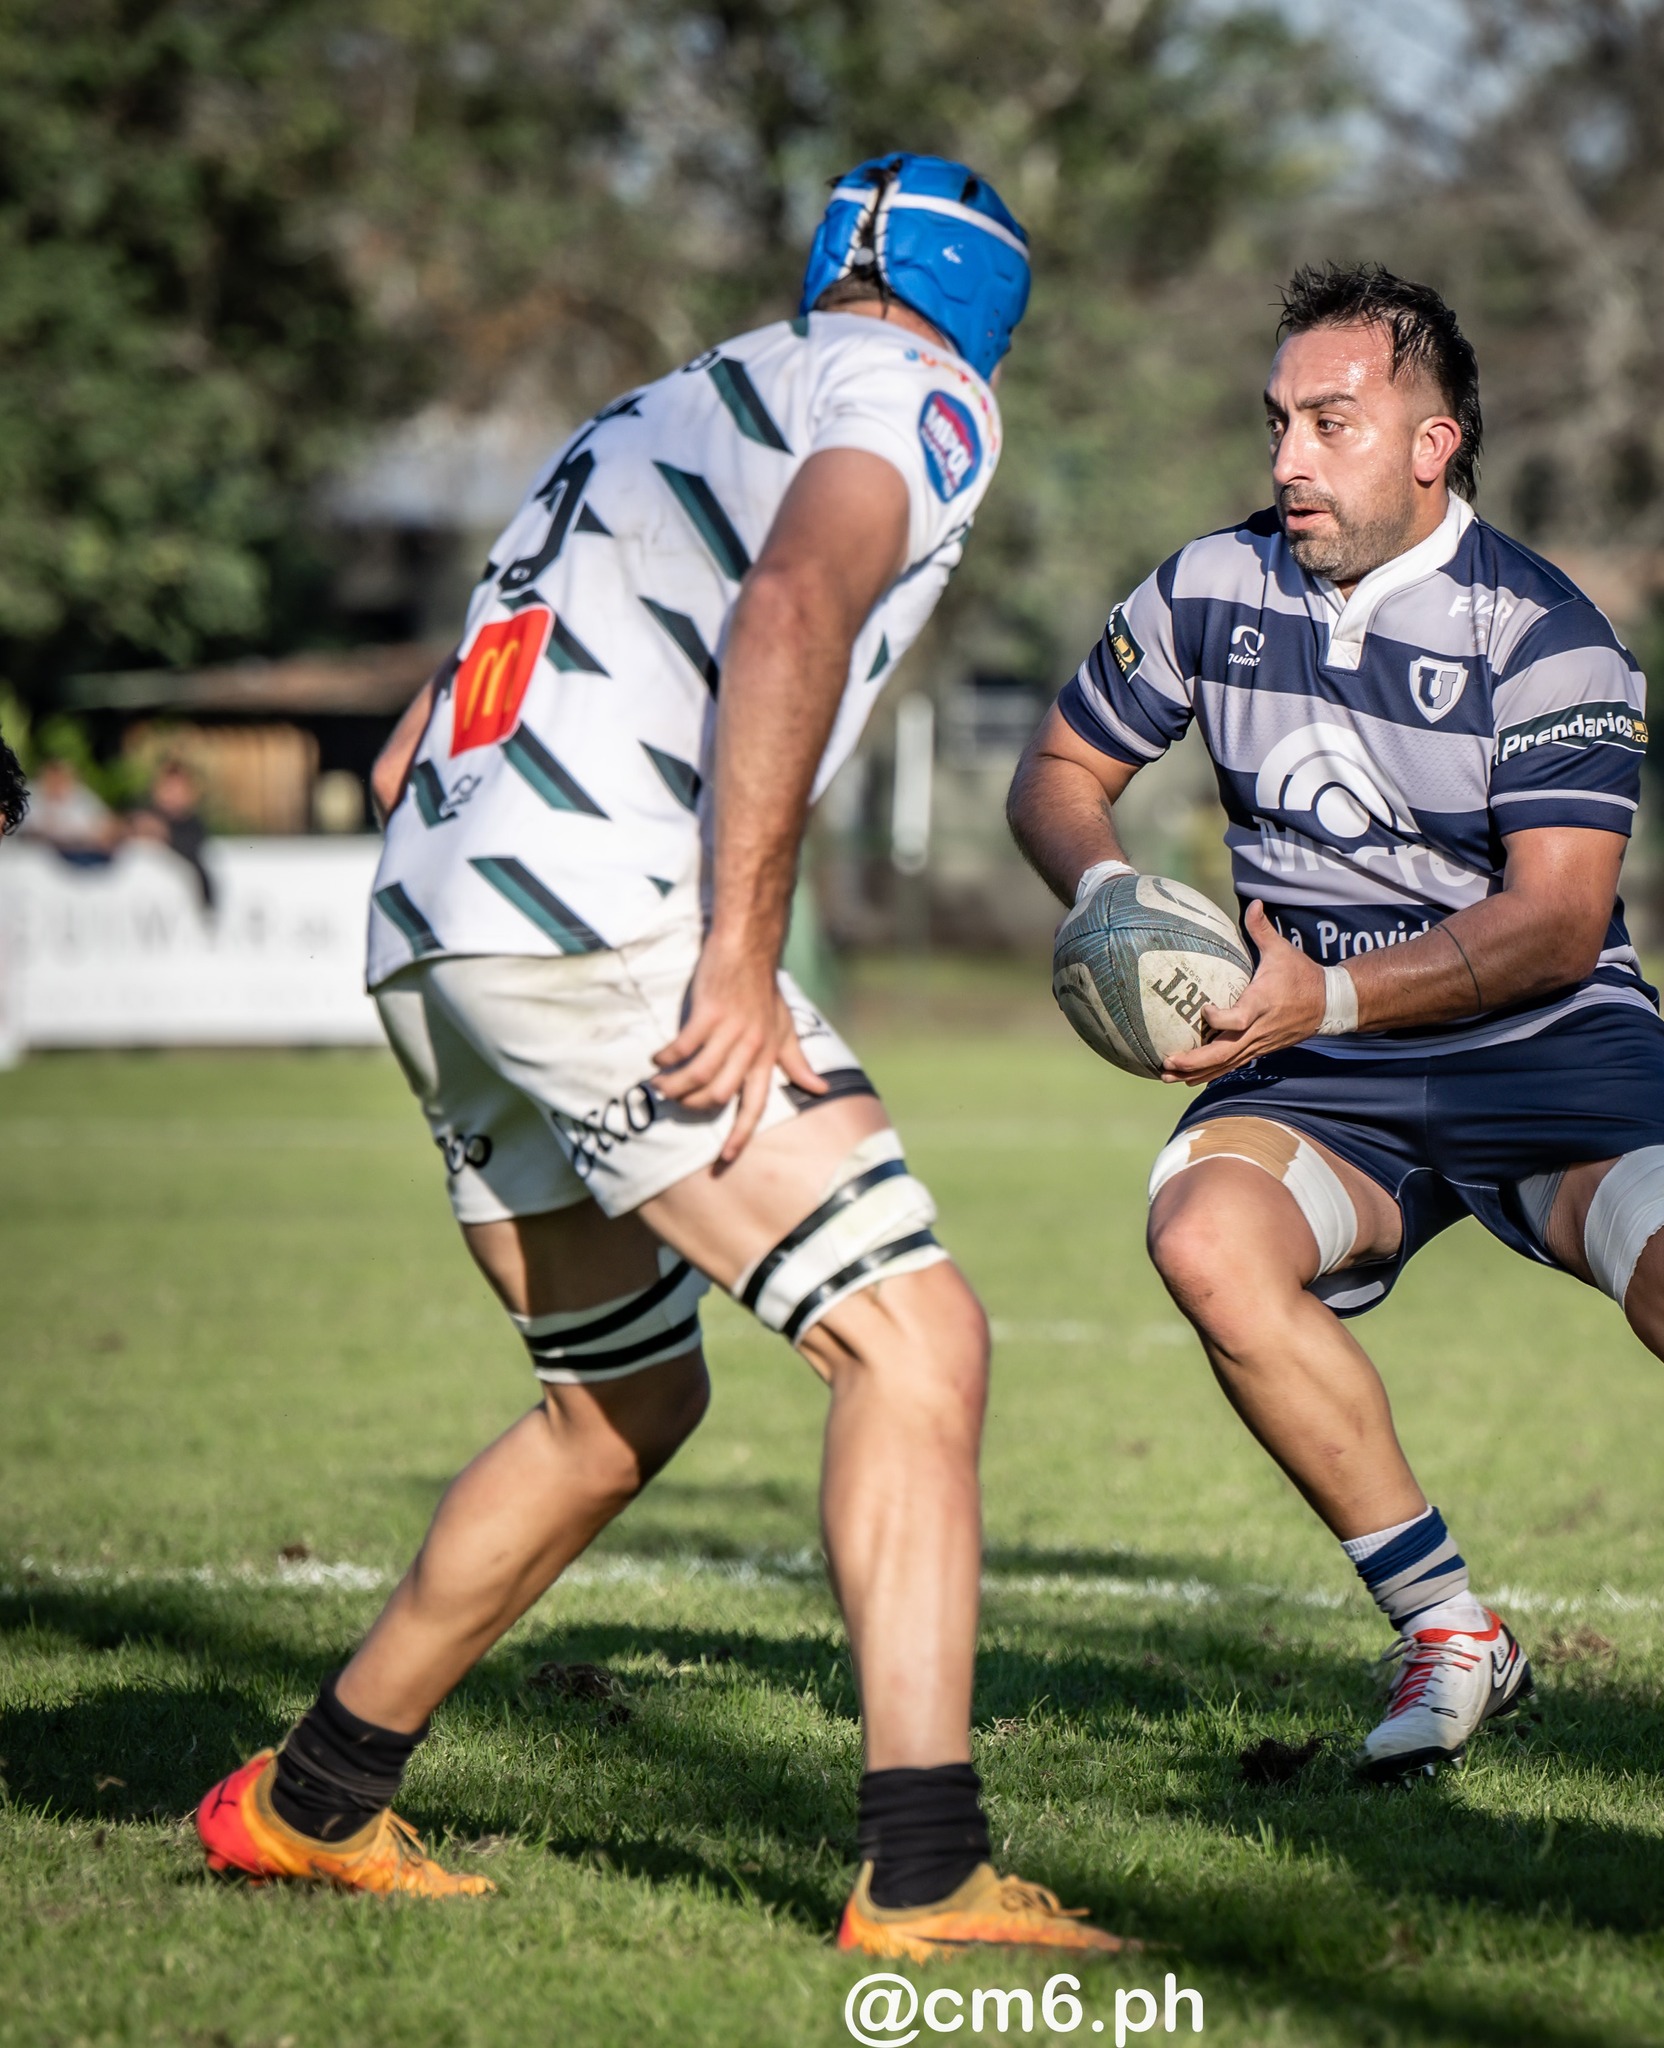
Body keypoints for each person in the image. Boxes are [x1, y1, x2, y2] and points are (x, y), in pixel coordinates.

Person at [196, 153, 1123, 1958]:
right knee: (913, 1337)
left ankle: (305, 1799)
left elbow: (404, 757)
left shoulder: (657, 409)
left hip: (431, 930)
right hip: (591, 920)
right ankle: (924, 1871)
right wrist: (738, 943)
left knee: (620, 1400)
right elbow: (794, 608)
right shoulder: (918, 395)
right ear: (985, 314)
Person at [1008, 261, 1664, 1790]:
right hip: (1318, 1067)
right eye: (1277, 424)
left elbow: (1556, 922)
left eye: (1331, 422)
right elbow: (1057, 769)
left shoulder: (1551, 633)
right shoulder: (1206, 588)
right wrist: (1113, 893)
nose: (1288, 460)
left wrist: (1327, 988)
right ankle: (1451, 1632)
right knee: (1203, 1240)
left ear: (1432, 442)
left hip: (1548, 1043)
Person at [128, 758, 214, 909]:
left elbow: (191, 849)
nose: (171, 794)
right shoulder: (143, 818)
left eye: (177, 789)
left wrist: (162, 834)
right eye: (167, 787)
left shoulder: (193, 826)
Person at [21, 756, 117, 862]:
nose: (57, 782)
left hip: (79, 856)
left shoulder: (81, 795)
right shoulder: (29, 795)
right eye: (53, 778)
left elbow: (107, 825)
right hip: (37, 858)